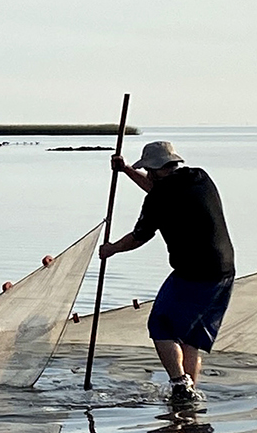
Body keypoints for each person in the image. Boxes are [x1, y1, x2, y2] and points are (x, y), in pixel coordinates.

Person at [98, 141, 235, 392]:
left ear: (157, 168)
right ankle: (189, 390)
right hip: (223, 270)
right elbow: (159, 190)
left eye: (149, 170)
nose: (148, 174)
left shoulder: (159, 198)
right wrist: (127, 170)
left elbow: (139, 237)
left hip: (193, 272)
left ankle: (179, 385)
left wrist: (112, 249)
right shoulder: (199, 177)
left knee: (161, 325)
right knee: (190, 336)